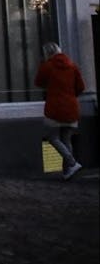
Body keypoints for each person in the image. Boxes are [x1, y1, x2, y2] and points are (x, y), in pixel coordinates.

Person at [35, 41, 85, 180]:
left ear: (47, 53)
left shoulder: (48, 66)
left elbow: (38, 82)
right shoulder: (72, 66)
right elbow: (81, 87)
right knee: (66, 138)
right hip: (72, 107)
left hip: (55, 107)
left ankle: (72, 162)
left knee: (52, 137)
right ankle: (68, 172)